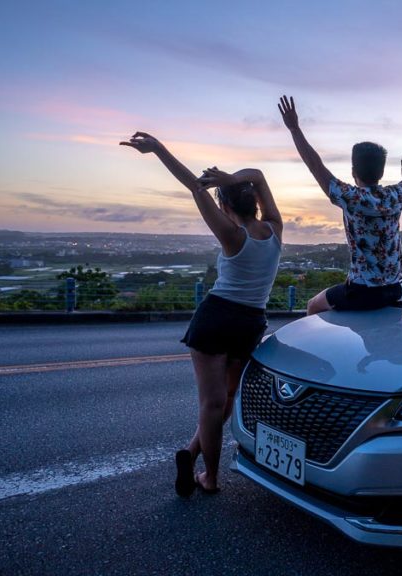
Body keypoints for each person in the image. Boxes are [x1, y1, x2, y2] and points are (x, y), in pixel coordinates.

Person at [120, 131, 283, 496]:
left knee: (211, 404)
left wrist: (159, 149)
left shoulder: (231, 235)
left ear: (225, 206)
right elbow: (257, 173)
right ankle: (192, 455)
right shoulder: (275, 230)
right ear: (254, 200)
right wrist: (232, 178)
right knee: (225, 400)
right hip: (251, 323)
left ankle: (209, 476)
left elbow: (195, 186)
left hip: (217, 317)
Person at [277, 95, 402, 314]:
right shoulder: (395, 195)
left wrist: (294, 129)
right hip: (395, 288)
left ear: (353, 172)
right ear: (381, 171)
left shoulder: (352, 197)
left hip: (362, 291)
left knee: (313, 305)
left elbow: (314, 165)